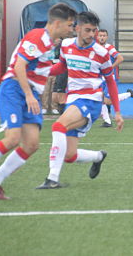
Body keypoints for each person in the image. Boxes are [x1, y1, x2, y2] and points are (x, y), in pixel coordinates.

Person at [0, 3, 76, 200]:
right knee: (12, 138)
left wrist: (69, 67)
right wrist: (29, 95)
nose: (72, 29)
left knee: (31, 144)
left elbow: (40, 69)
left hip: (29, 93)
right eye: (70, 25)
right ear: (57, 23)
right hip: (14, 90)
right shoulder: (37, 37)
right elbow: (20, 66)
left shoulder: (50, 43)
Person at [36, 12, 124, 189]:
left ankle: (52, 179)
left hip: (90, 100)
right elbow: (62, 66)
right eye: (87, 30)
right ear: (77, 28)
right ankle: (98, 156)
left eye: (94, 31)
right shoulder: (66, 45)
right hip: (73, 99)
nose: (92, 35)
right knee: (69, 155)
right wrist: (41, 71)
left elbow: (110, 82)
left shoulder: (101, 53)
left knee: (58, 126)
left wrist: (118, 112)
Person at [96, 29, 133, 127]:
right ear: (97, 37)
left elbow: (120, 58)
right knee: (100, 98)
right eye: (100, 35)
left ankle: (129, 94)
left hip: (110, 78)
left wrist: (110, 68)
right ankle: (107, 121)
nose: (102, 37)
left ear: (107, 37)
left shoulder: (109, 47)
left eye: (104, 35)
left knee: (108, 101)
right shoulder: (96, 48)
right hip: (101, 78)